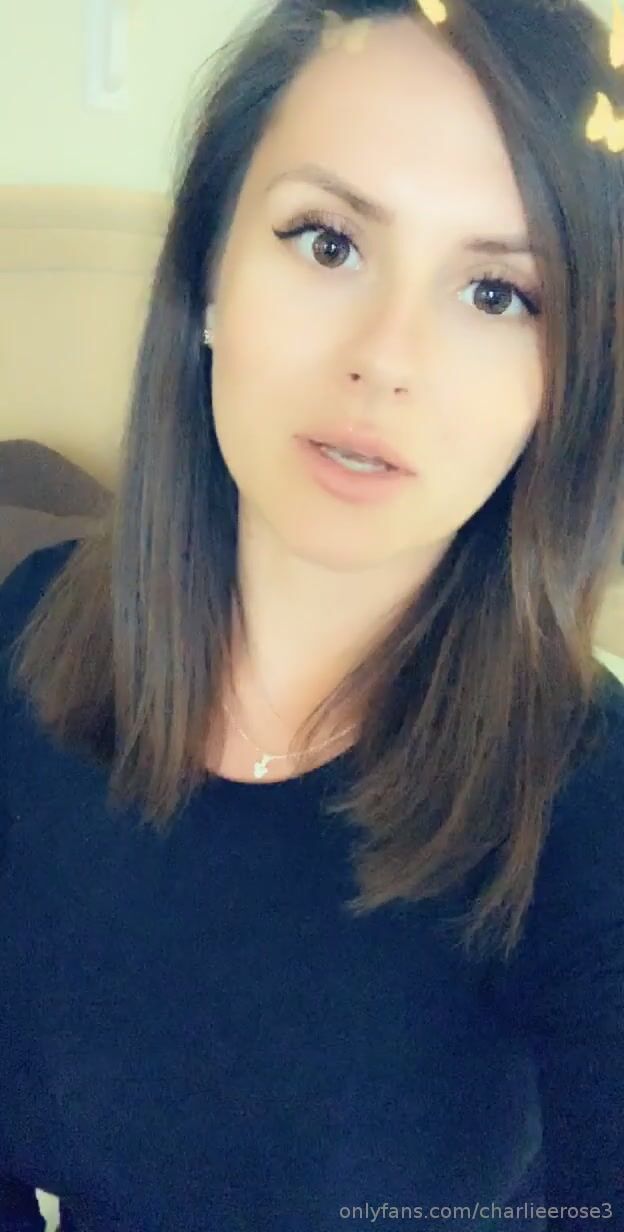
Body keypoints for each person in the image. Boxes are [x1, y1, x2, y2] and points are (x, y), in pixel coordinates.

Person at [1, 0, 623, 1228]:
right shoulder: (26, 634)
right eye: (329, 241)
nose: (386, 357)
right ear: (208, 277)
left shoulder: (587, 809)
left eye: (497, 292)